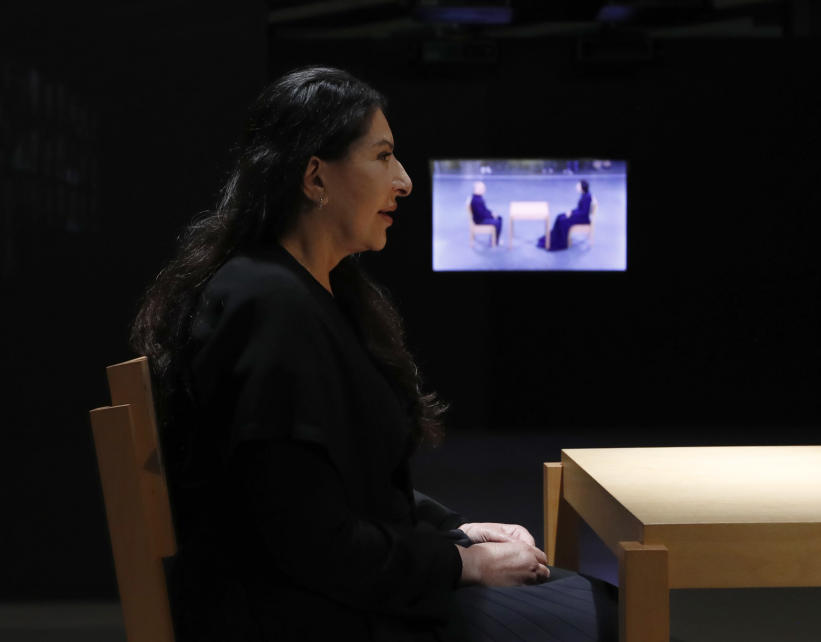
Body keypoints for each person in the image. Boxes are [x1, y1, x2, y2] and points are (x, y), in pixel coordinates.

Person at [130, 66, 616, 641]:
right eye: (383, 157)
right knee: (617, 616)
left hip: (328, 597)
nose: (404, 181)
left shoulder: (294, 291)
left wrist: (457, 531)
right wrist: (461, 564)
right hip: (308, 617)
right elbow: (307, 540)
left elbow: (331, 486)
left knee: (605, 603)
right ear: (316, 177)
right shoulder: (268, 307)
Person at [537, 179, 593, 251]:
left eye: (578, 186)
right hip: (579, 215)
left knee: (563, 221)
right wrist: (571, 212)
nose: (577, 187)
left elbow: (584, 212)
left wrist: (572, 214)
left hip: (583, 219)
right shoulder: (584, 195)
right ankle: (554, 237)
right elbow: (580, 209)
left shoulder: (587, 197)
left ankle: (562, 243)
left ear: (582, 187)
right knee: (559, 217)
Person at [469, 181, 502, 245]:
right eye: (483, 189)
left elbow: (484, 210)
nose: (484, 190)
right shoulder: (477, 201)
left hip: (481, 218)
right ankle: (495, 241)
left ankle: (494, 238)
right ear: (477, 189)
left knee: (499, 217)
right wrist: (491, 215)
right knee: (498, 221)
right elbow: (481, 214)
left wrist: (491, 213)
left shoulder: (477, 198)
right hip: (480, 221)